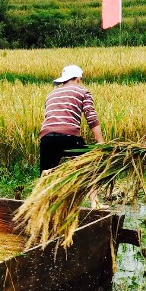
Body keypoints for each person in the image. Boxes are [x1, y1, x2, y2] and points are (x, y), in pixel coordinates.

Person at [39, 65, 105, 206]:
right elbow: (91, 117)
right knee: (91, 164)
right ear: (78, 78)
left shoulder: (51, 94)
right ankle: (95, 203)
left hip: (46, 137)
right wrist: (100, 142)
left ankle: (43, 206)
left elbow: (50, 117)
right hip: (68, 136)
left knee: (45, 174)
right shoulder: (83, 91)